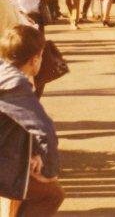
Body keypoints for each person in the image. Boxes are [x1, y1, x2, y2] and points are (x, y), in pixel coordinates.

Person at [0, 25, 64, 216]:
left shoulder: (4, 72)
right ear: (35, 59)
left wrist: (36, 153)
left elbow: (21, 125)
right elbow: (44, 129)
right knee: (51, 194)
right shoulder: (16, 84)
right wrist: (49, 171)